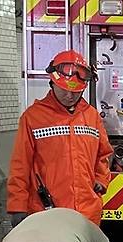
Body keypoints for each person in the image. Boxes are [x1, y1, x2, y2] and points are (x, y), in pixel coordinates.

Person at [7, 50, 113, 227]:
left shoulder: (91, 116)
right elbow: (20, 165)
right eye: (64, 90)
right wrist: (17, 207)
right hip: (47, 213)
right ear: (52, 83)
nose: (70, 96)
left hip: (87, 213)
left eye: (76, 92)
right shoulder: (33, 117)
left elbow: (103, 154)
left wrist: (101, 180)